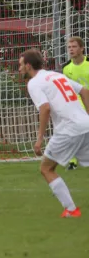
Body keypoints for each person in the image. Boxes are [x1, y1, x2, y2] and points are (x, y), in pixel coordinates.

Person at [19, 48, 89, 217]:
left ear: (28, 66)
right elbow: (85, 91)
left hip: (68, 130)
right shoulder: (56, 75)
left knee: (46, 168)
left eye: (20, 65)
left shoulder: (34, 83)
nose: (19, 69)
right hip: (85, 125)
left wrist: (39, 138)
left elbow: (45, 108)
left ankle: (71, 210)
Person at [61, 36, 89, 170]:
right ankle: (73, 161)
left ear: (82, 48)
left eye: (74, 47)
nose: (71, 50)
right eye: (69, 47)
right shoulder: (66, 68)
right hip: (78, 102)